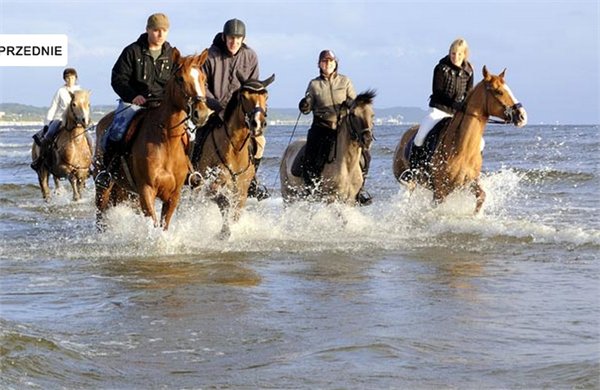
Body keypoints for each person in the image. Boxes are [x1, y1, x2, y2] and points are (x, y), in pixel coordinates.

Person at [198, 18, 269, 200]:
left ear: (243, 39)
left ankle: (251, 181)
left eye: (238, 39)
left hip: (239, 112)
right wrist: (215, 104)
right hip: (213, 106)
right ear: (224, 37)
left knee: (260, 142)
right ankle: (192, 175)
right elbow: (201, 85)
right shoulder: (210, 55)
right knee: (194, 134)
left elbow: (253, 87)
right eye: (231, 38)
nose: (234, 43)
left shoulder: (250, 56)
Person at [99, 12, 176, 177]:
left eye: (164, 30)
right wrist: (133, 95)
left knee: (188, 133)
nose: (160, 34)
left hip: (163, 105)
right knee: (116, 133)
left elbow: (178, 82)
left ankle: (189, 172)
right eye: (156, 30)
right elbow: (118, 79)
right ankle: (108, 173)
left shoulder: (172, 55)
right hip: (134, 103)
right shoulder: (132, 51)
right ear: (147, 29)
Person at [298, 49, 372, 205]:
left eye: (330, 61)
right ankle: (311, 187)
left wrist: (351, 104)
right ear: (319, 64)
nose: (327, 64)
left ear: (335, 63)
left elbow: (355, 102)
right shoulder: (314, 84)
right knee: (311, 154)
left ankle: (360, 190)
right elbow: (309, 101)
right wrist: (305, 105)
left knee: (365, 156)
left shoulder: (345, 82)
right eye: (324, 61)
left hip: (342, 128)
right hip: (322, 126)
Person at [408, 38, 474, 175]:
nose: (455, 57)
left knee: (479, 142)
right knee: (420, 136)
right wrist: (455, 104)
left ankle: (473, 169)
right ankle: (413, 170)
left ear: (464, 55)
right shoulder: (440, 68)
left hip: (456, 114)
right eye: (453, 53)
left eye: (459, 54)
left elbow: (469, 93)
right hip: (438, 110)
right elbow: (437, 91)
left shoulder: (469, 72)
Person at [31, 67, 86, 170]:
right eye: (68, 78)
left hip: (77, 121)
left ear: (76, 78)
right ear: (65, 79)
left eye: (72, 78)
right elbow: (54, 106)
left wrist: (85, 119)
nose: (70, 80)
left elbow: (84, 107)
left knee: (89, 139)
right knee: (48, 136)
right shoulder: (60, 91)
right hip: (60, 119)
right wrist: (48, 122)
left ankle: (88, 165)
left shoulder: (80, 92)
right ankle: (41, 160)